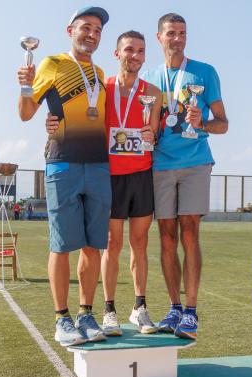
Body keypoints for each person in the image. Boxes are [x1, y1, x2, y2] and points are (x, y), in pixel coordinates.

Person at [50, 31, 163, 335]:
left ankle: (139, 307)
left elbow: (153, 133)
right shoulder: (102, 88)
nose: (135, 56)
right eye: (129, 50)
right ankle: (109, 310)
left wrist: (151, 135)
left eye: (140, 51)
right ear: (117, 53)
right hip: (108, 175)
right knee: (111, 244)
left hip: (141, 174)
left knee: (140, 243)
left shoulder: (153, 93)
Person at [17, 6, 111, 347]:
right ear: (70, 30)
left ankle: (86, 313)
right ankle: (62, 318)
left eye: (98, 30)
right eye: (86, 27)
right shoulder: (52, 64)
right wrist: (26, 87)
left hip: (99, 165)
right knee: (61, 245)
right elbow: (27, 113)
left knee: (93, 245)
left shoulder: (100, 72)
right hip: (63, 164)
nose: (92, 34)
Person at [143, 13, 229, 339]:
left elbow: (223, 123)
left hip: (195, 162)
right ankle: (174, 307)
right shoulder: (149, 78)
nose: (177, 38)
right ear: (159, 37)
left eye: (182, 33)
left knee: (190, 234)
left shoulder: (205, 72)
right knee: (166, 237)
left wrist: (201, 122)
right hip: (160, 164)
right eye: (171, 33)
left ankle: (191, 311)